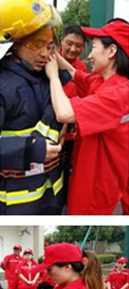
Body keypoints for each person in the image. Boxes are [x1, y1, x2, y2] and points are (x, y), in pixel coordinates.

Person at [45, 18, 129, 215]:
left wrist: (53, 77)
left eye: (94, 48)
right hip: (87, 173)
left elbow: (64, 113)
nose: (89, 55)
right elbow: (72, 71)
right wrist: (48, 48)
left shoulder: (118, 94)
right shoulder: (102, 81)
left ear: (111, 51)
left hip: (95, 187)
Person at [0, 0, 65, 215]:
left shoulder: (47, 76)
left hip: (52, 193)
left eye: (49, 45)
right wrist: (32, 149)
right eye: (37, 44)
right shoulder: (3, 86)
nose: (45, 53)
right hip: (19, 202)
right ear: (12, 44)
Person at [57, 25, 88, 190]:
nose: (73, 49)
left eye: (78, 46)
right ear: (61, 40)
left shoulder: (81, 68)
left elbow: (83, 98)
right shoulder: (47, 60)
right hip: (50, 127)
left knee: (67, 170)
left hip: (71, 131)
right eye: (69, 43)